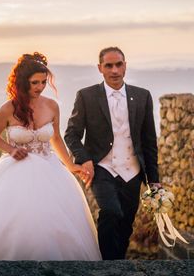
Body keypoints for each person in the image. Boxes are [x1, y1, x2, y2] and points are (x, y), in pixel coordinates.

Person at [0, 52, 101, 261]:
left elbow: (55, 138)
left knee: (53, 224)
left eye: (44, 82)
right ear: (22, 82)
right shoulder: (8, 109)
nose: (40, 86)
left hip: (50, 170)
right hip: (15, 171)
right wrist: (10, 149)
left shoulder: (52, 106)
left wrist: (71, 165)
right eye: (34, 82)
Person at [64, 47, 159, 260]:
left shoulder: (142, 96)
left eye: (119, 64)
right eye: (109, 65)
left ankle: (117, 263)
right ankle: (106, 264)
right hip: (101, 168)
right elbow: (71, 134)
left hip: (132, 170)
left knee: (126, 223)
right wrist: (85, 159)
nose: (114, 70)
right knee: (111, 212)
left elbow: (149, 142)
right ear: (100, 68)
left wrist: (154, 181)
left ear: (125, 66)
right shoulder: (86, 96)